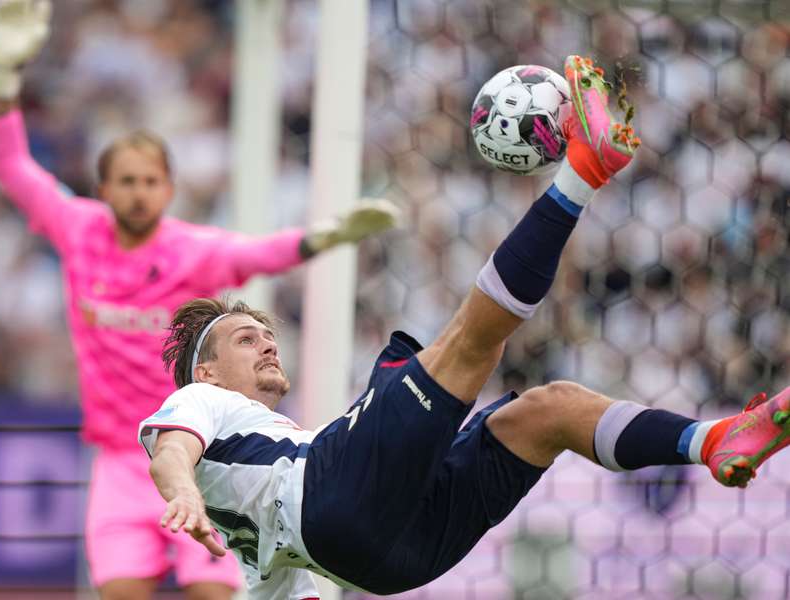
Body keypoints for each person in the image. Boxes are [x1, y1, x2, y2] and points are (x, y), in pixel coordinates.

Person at [138, 54, 790, 599]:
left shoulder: (257, 474)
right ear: (207, 370)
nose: (267, 340)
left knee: (549, 410)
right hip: (336, 499)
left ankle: (715, 440)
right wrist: (180, 495)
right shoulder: (199, 402)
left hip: (386, 559)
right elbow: (171, 452)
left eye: (264, 331)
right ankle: (583, 171)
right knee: (463, 343)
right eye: (244, 338)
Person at [0, 2, 398, 599]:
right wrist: (1, 81)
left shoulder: (191, 250)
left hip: (198, 450)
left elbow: (260, 253)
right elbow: (10, 166)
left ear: (169, 188)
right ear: (103, 189)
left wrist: (323, 237)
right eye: (126, 181)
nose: (139, 192)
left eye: (151, 181)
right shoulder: (77, 230)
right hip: (119, 460)